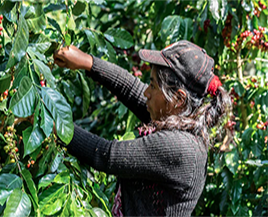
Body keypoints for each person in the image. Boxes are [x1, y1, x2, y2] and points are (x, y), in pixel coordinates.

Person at [53, 40, 232, 217]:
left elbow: (105, 155)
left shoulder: (181, 147)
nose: (146, 92)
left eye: (153, 86)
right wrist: (87, 62)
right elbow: (130, 88)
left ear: (178, 99)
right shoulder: (178, 117)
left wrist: (50, 122)